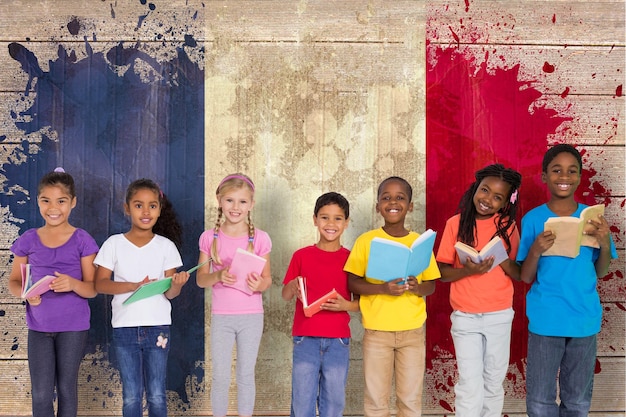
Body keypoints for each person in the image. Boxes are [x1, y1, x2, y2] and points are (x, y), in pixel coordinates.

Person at [517, 144, 617, 417]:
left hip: (584, 318)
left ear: (580, 176)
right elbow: (525, 276)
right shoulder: (533, 219)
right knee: (540, 400)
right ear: (544, 176)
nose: (565, 176)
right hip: (546, 318)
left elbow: (601, 271)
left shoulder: (593, 218)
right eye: (557, 170)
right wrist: (536, 249)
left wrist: (604, 241)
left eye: (572, 171)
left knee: (577, 401)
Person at [344, 176, 440, 417]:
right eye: (386, 198)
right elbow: (352, 281)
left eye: (400, 198)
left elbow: (432, 285)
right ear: (378, 206)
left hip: (412, 332)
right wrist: (382, 289)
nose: (393, 202)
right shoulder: (366, 241)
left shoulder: (420, 242)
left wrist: (417, 288)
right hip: (377, 332)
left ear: (410, 206)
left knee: (409, 400)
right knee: (376, 400)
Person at [94, 178, 190, 417]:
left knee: (157, 393)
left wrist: (177, 284)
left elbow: (169, 293)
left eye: (152, 206)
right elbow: (100, 284)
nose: (146, 212)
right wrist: (134, 286)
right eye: (138, 205)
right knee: (131, 395)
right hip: (124, 327)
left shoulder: (166, 246)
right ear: (127, 208)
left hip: (158, 327)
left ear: (159, 209)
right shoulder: (114, 244)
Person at [8, 167, 99, 417]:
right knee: (41, 393)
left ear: (73, 203)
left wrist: (72, 284)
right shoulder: (28, 239)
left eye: (61, 201)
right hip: (38, 327)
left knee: (67, 389)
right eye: (45, 200)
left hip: (73, 328)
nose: (53, 207)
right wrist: (25, 294)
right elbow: (15, 281)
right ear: (38, 201)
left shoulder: (82, 240)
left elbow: (92, 289)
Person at [435, 164, 522, 417]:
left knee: (493, 382)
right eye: (485, 191)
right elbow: (440, 273)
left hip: (499, 315)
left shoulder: (507, 225)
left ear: (506, 202)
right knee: (469, 384)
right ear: (475, 187)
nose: (488, 200)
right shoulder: (455, 224)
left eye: (498, 197)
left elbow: (518, 273)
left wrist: (500, 256)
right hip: (465, 316)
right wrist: (468, 271)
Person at [196, 173, 272, 417]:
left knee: (245, 374)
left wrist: (259, 284)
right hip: (222, 317)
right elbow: (200, 280)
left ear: (251, 204)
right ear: (219, 200)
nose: (235, 207)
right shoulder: (209, 238)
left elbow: (268, 280)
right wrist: (218, 277)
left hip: (251, 317)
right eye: (229, 200)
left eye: (241, 202)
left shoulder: (260, 238)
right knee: (220, 375)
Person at [282, 192, 359, 417]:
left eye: (337, 218)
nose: (331, 224)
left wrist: (345, 305)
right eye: (324, 217)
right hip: (305, 338)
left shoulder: (351, 259)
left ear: (346, 223)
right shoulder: (301, 256)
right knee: (302, 399)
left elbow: (362, 303)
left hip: (338, 341)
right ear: (315, 219)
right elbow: (286, 294)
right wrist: (293, 286)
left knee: (334, 401)